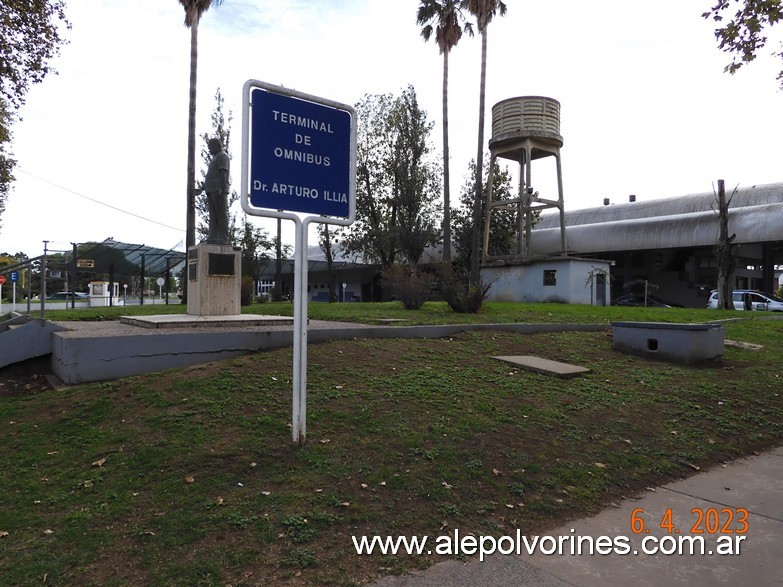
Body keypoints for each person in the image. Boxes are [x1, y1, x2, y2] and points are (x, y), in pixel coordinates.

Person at [202, 138, 231, 245]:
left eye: (210, 147)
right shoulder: (215, 158)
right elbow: (211, 176)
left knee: (221, 214)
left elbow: (224, 173)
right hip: (211, 190)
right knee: (213, 215)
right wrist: (201, 189)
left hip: (218, 190)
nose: (209, 150)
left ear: (217, 146)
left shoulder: (222, 156)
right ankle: (213, 235)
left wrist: (220, 187)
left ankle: (223, 237)